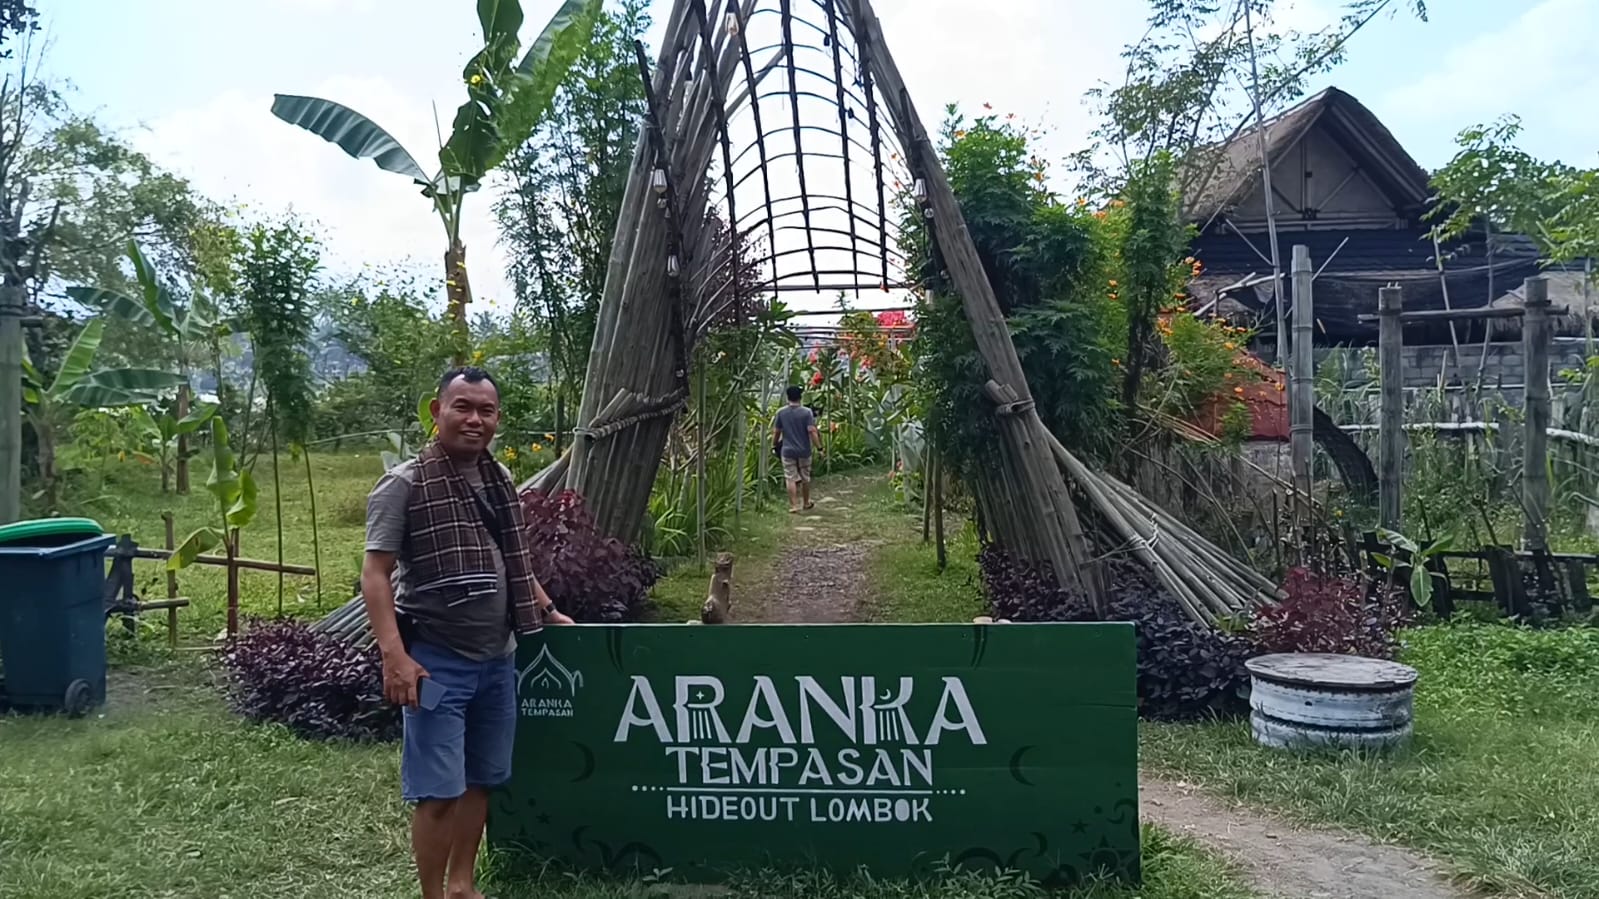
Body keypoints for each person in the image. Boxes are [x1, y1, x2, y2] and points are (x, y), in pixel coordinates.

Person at [362, 366, 573, 899]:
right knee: (438, 792)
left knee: (482, 779)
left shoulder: (497, 478)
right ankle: (433, 895)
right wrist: (394, 656)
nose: (475, 419)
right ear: (438, 412)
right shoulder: (405, 484)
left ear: (497, 418)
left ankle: (462, 884)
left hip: (497, 659)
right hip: (437, 659)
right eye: (463, 407)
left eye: (486, 410)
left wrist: (548, 610)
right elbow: (376, 573)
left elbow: (512, 559)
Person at [773, 384, 821, 513]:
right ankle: (806, 502)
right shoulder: (807, 412)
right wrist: (819, 448)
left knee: (790, 477)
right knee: (805, 477)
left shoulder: (781, 412)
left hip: (787, 450)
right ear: (800, 397)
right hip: (804, 450)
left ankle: (794, 505)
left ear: (788, 397)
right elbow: (812, 431)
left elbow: (777, 431)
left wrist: (774, 444)